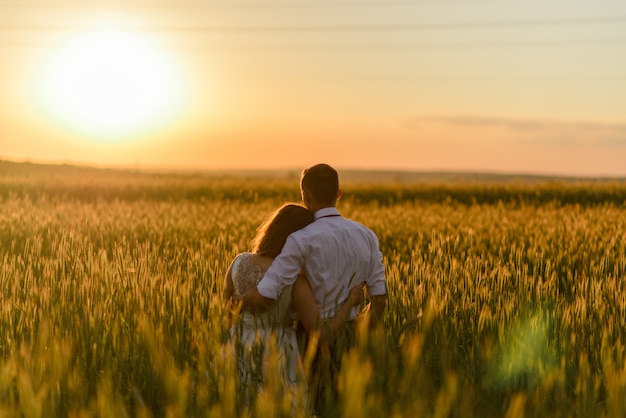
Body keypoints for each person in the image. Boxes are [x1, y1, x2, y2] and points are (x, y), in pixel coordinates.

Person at [242, 163, 388, 415]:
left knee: (314, 408)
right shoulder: (367, 235)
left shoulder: (300, 240)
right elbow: (380, 300)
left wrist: (238, 299)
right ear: (338, 193)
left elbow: (266, 293)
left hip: (309, 344)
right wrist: (358, 332)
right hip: (353, 340)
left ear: (305, 196)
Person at [223, 203, 365, 404]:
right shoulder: (295, 281)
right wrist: (350, 302)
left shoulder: (238, 262)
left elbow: (226, 312)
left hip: (235, 348)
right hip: (279, 355)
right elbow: (321, 335)